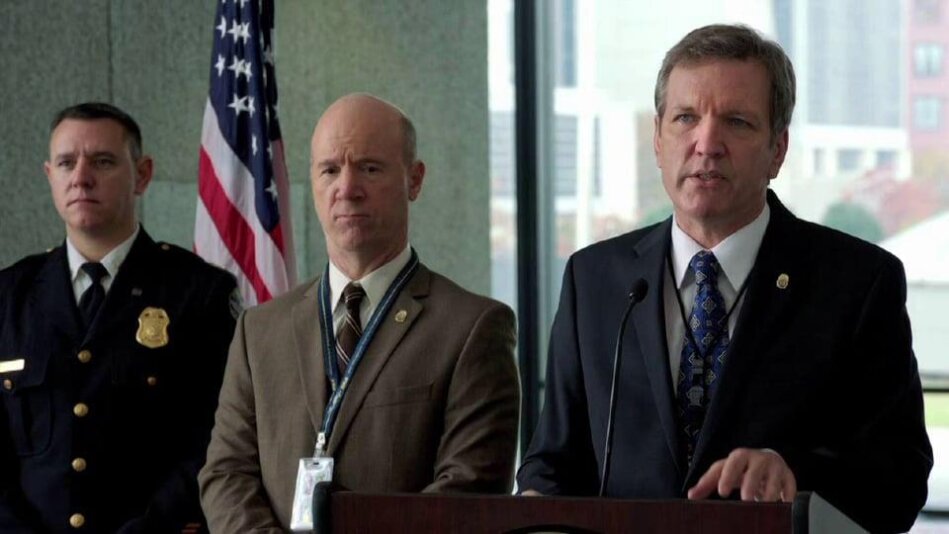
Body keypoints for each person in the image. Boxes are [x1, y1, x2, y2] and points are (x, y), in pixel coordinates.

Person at [516, 24, 932, 533]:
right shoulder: (595, 278)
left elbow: (901, 479)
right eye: (685, 118)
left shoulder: (857, 283)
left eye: (736, 122)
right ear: (658, 139)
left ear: (777, 149)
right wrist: (534, 505)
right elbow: (552, 463)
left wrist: (794, 473)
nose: (707, 143)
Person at [199, 93, 520, 531]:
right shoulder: (258, 331)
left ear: (414, 180)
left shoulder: (472, 329)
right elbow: (225, 474)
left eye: (369, 168)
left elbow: (469, 490)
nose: (347, 189)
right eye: (330, 170)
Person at [0, 102, 239, 532]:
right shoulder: (9, 296)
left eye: (103, 161)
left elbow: (216, 438)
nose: (81, 177)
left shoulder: (198, 293)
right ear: (50, 176)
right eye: (66, 163)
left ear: (142, 175)